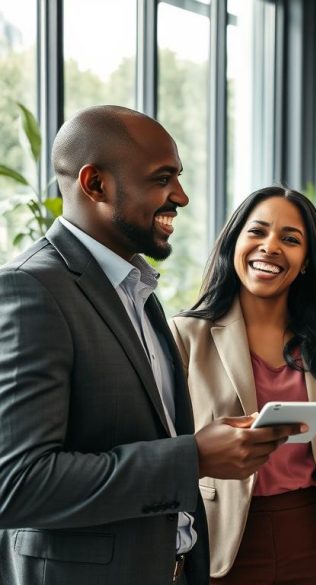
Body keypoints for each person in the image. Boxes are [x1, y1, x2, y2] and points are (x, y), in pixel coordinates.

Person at [0, 106, 300, 585]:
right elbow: (16, 486)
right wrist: (193, 457)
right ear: (95, 184)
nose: (180, 196)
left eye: (178, 177)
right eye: (163, 179)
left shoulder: (137, 291)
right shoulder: (30, 290)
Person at [170, 186, 316, 584]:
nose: (270, 247)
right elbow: (167, 447)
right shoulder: (186, 335)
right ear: (234, 242)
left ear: (305, 261)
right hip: (221, 535)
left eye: (290, 239)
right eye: (257, 232)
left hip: (315, 534)